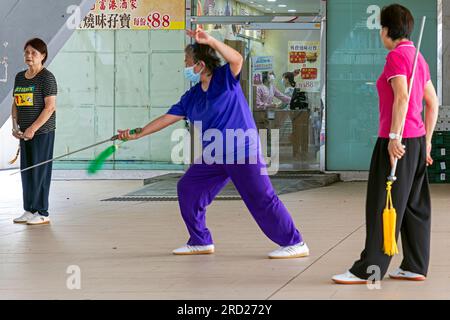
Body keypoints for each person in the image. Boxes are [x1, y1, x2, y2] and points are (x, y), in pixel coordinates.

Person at [118, 28, 309, 259]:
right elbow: (168, 118)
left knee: (261, 199)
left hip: (242, 151)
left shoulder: (224, 80)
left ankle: (294, 242)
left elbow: (237, 59)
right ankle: (200, 240)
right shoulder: (193, 96)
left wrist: (210, 40)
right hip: (215, 155)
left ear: (200, 64)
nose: (185, 65)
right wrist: (138, 133)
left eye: (187, 61)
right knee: (188, 187)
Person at [332, 4, 439, 284]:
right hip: (415, 143)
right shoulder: (418, 57)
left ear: (388, 29)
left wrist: (394, 138)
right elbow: (433, 103)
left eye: (381, 28)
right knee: (414, 206)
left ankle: (370, 269)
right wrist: (426, 143)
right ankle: (415, 265)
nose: (381, 33)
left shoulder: (396, 56)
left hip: (397, 143)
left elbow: (402, 97)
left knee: (383, 204)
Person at [12, 38, 58, 225]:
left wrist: (33, 128)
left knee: (40, 171)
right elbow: (15, 103)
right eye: (27, 52)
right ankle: (29, 209)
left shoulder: (47, 78)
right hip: (25, 133)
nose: (29, 56)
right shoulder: (20, 77)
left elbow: (50, 108)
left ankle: (42, 211)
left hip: (42, 133)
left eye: (33, 53)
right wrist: (15, 126)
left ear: (43, 56)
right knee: (27, 171)